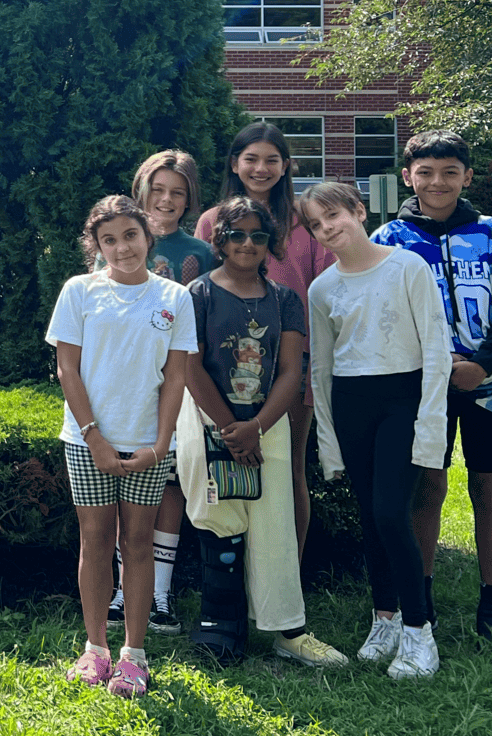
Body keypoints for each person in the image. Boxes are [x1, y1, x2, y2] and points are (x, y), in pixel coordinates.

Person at [370, 131, 492, 640]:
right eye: (425, 172)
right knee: (427, 487)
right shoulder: (388, 241)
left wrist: (484, 366)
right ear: (407, 177)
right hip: (423, 388)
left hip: (490, 384)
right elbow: (384, 320)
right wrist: (433, 370)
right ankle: (423, 599)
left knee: (489, 487)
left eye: (449, 172)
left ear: (467, 176)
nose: (436, 182)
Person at [175, 197, 347, 669]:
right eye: (236, 234)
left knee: (274, 526)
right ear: (219, 240)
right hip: (210, 422)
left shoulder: (284, 299)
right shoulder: (198, 295)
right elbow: (191, 366)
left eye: (257, 235)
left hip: (267, 424)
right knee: (219, 517)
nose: (246, 243)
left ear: (271, 243)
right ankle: (220, 625)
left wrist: (256, 426)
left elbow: (292, 370)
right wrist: (230, 428)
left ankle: (288, 629)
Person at [304, 180, 452, 680]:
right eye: (317, 225)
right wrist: (329, 447)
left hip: (403, 400)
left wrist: (430, 428)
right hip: (352, 403)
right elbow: (321, 372)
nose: (328, 229)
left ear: (358, 211)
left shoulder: (407, 267)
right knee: (370, 517)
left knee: (393, 514)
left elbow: (435, 350)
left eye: (334, 216)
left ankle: (419, 631)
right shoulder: (321, 289)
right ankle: (383, 617)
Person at [48, 196, 192, 699]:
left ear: (147, 236)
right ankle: (95, 649)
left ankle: (134, 654)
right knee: (95, 542)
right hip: (87, 440)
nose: (121, 247)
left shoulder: (175, 296)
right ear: (97, 246)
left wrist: (160, 443)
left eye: (130, 235)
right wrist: (94, 437)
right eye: (109, 239)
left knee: (137, 543)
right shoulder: (79, 291)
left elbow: (176, 378)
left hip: (148, 446)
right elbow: (68, 369)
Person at [196, 122, 334, 556]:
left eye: (271, 159)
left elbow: (327, 286)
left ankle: (287, 573)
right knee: (220, 468)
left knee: (288, 471)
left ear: (286, 165)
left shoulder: (304, 220)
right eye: (250, 159)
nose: (261, 168)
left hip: (291, 369)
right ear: (235, 165)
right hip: (221, 370)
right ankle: (230, 575)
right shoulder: (211, 221)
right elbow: (201, 291)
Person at [107, 150, 215, 635]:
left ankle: (161, 595)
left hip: (181, 385)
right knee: (121, 486)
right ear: (141, 189)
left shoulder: (202, 252)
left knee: (168, 483)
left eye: (177, 191)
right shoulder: (116, 245)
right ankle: (122, 589)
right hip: (124, 386)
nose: (166, 199)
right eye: (158, 189)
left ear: (189, 197)